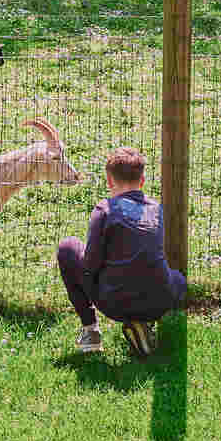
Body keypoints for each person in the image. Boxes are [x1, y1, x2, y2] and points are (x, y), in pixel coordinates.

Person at [56, 147, 186, 359]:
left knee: (68, 248)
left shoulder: (105, 209)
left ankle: (91, 331)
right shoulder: (156, 209)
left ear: (109, 181)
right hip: (160, 299)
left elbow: (90, 265)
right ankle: (143, 323)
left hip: (114, 303)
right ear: (142, 180)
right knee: (178, 278)